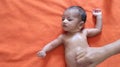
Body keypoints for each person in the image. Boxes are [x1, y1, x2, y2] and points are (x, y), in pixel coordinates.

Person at [37, 6, 120, 67]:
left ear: (80, 25)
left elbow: (98, 29)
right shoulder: (63, 37)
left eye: (69, 19)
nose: (64, 21)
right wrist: (44, 50)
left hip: (89, 63)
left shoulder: (84, 32)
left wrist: (99, 16)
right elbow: (52, 44)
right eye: (63, 19)